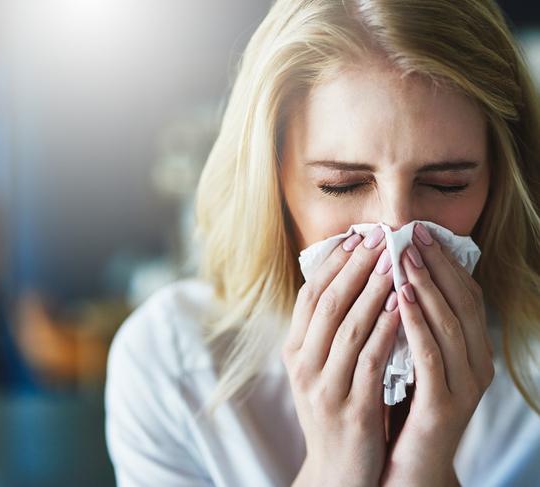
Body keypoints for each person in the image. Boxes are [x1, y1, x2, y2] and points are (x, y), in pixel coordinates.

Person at [105, 0, 540, 485]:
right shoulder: (175, 364)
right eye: (342, 185)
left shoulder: (532, 386)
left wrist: (427, 464)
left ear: (499, 182)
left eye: (446, 185)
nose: (395, 229)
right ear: (272, 183)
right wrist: (335, 464)